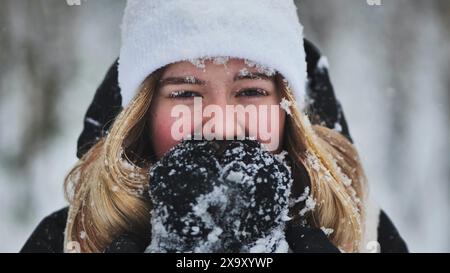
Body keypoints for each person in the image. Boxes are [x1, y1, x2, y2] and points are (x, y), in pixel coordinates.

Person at [21, 0, 408, 253]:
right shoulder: (71, 238)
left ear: (287, 109)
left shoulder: (362, 235)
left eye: (251, 91)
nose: (221, 121)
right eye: (186, 95)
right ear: (143, 114)